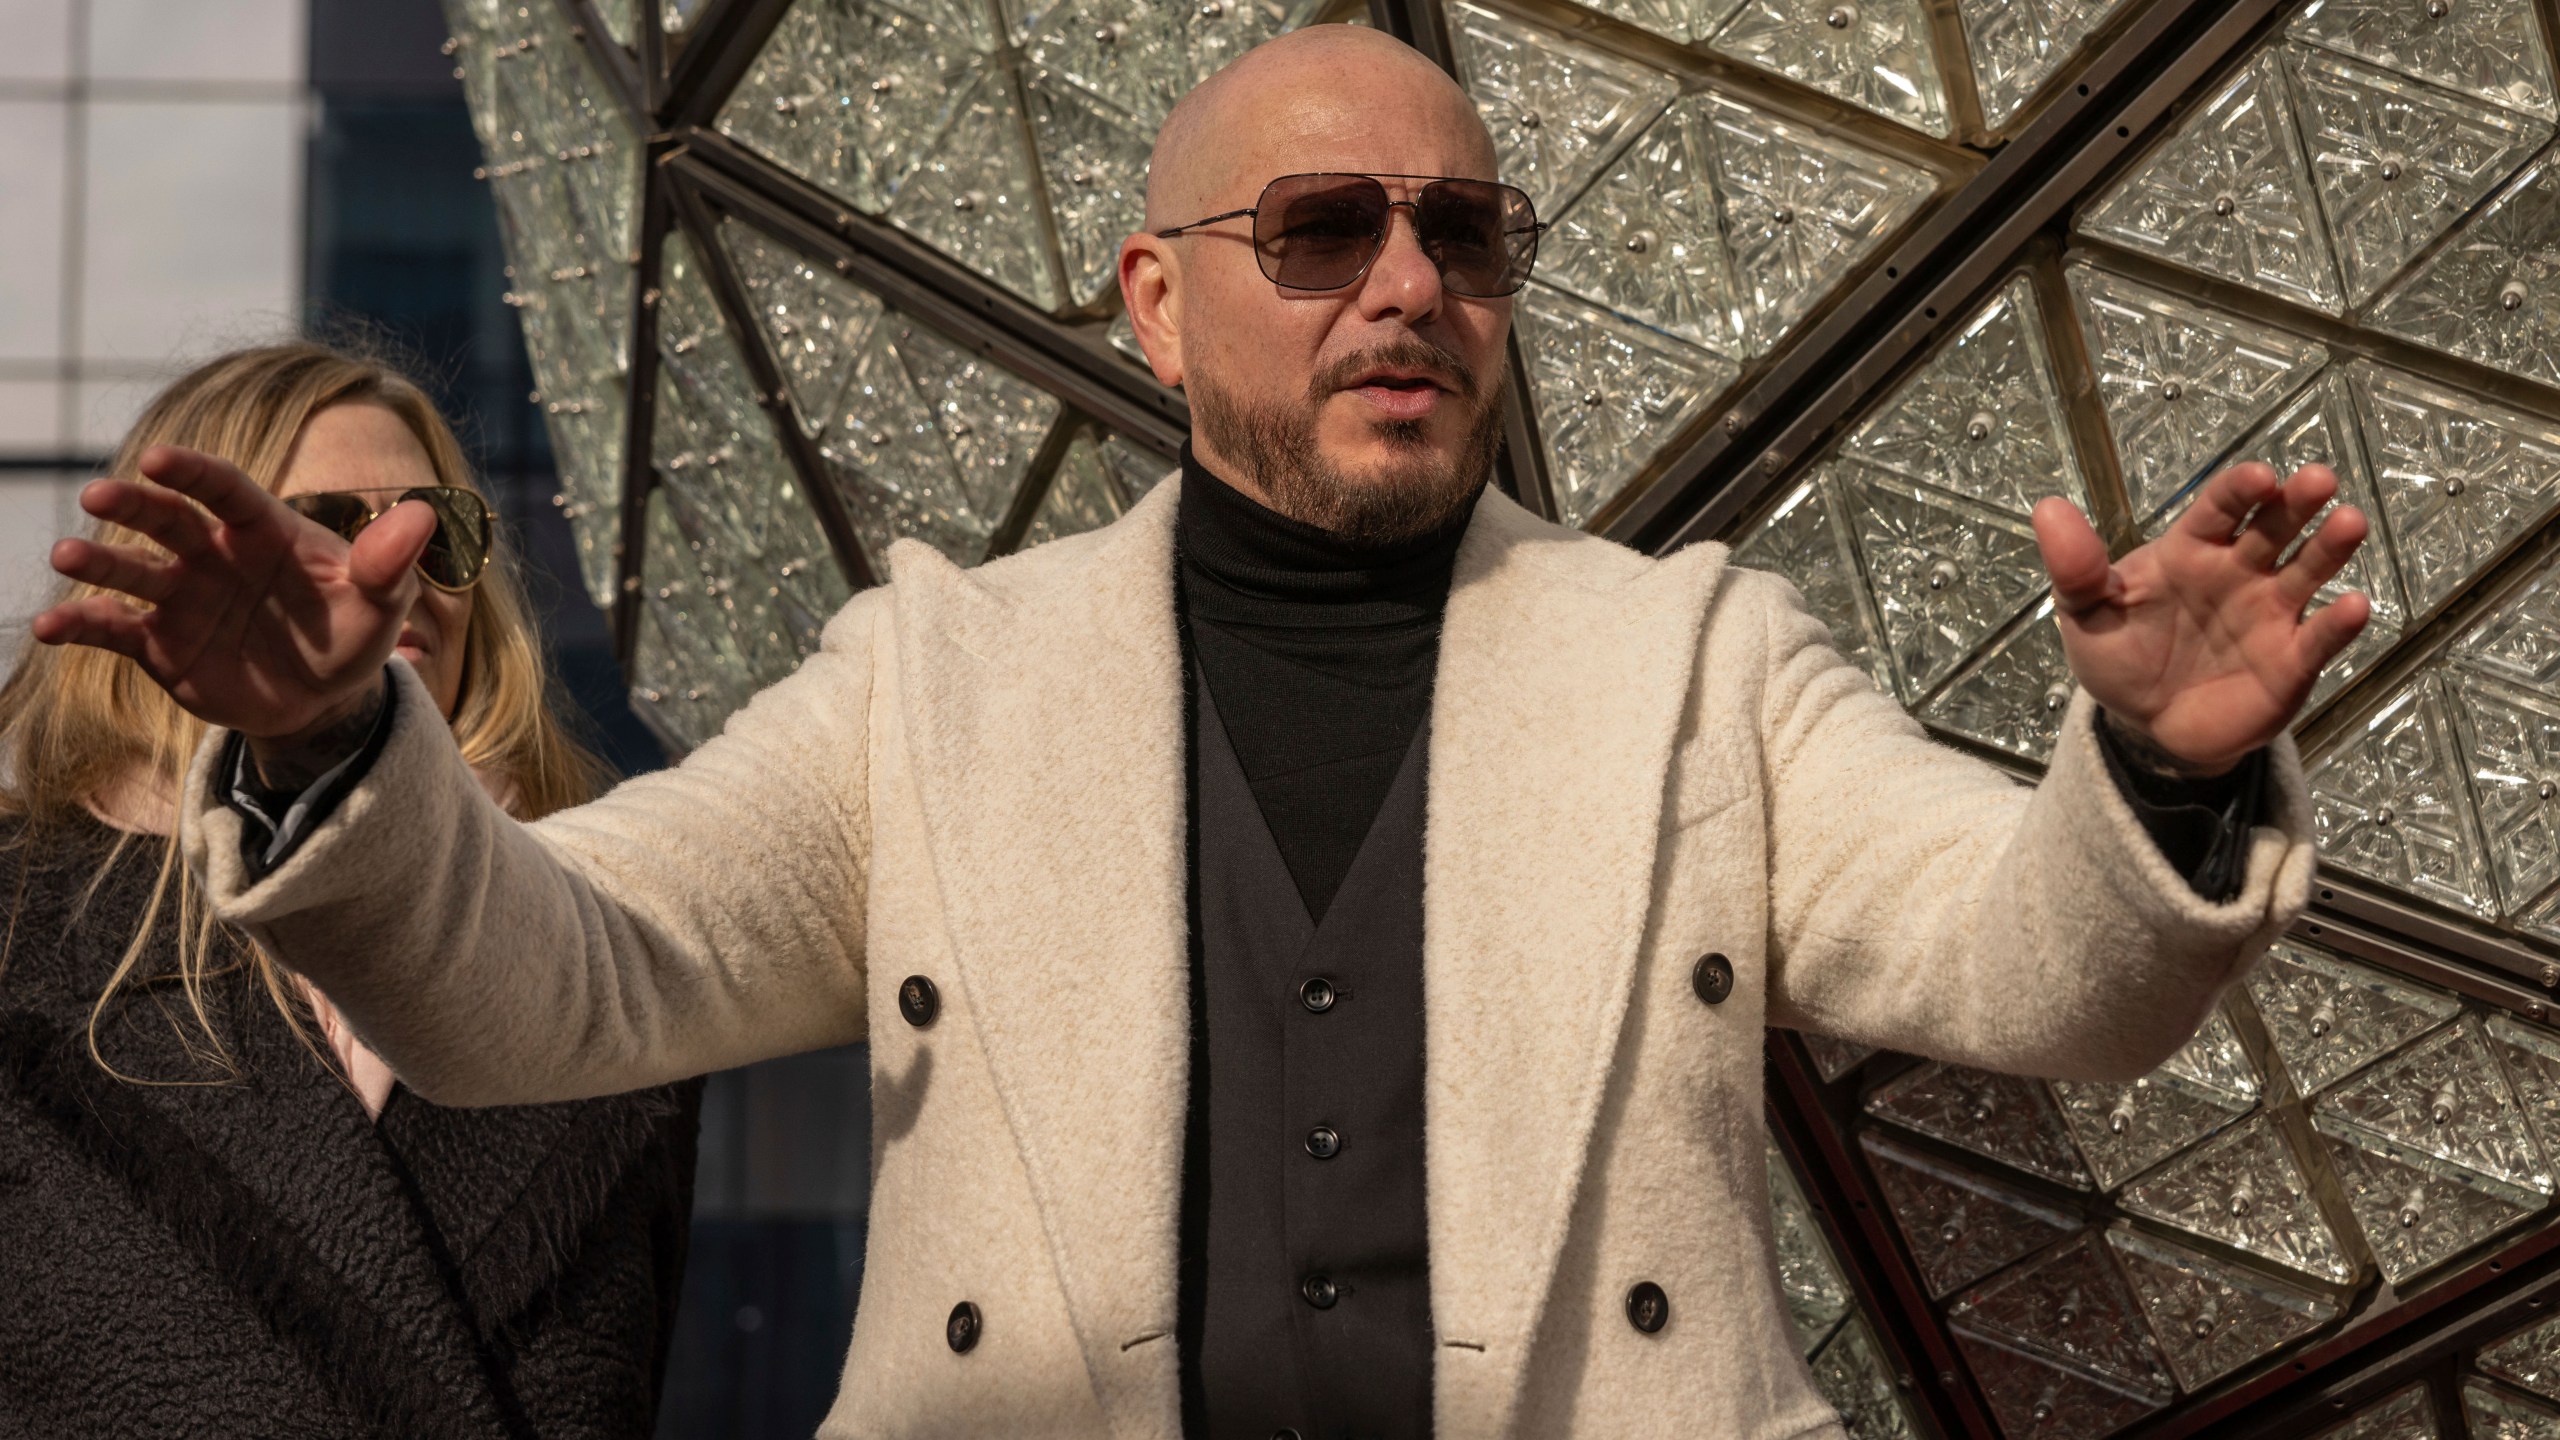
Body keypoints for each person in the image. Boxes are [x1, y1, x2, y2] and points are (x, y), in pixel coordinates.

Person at [29, 27, 2363, 1439]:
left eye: (1463, 233)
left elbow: (2020, 968)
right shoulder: (934, 674)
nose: (1405, 286)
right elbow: (561, 974)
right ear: (1153, 298)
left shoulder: (1689, 660)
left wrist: (2145, 776)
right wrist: (346, 738)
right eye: (1322, 226)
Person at [2, 343, 701, 1439]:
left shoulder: (606, 936)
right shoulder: (21, 928)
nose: (398, 565)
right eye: (326, 522)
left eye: (443, 531)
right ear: (172, 565)